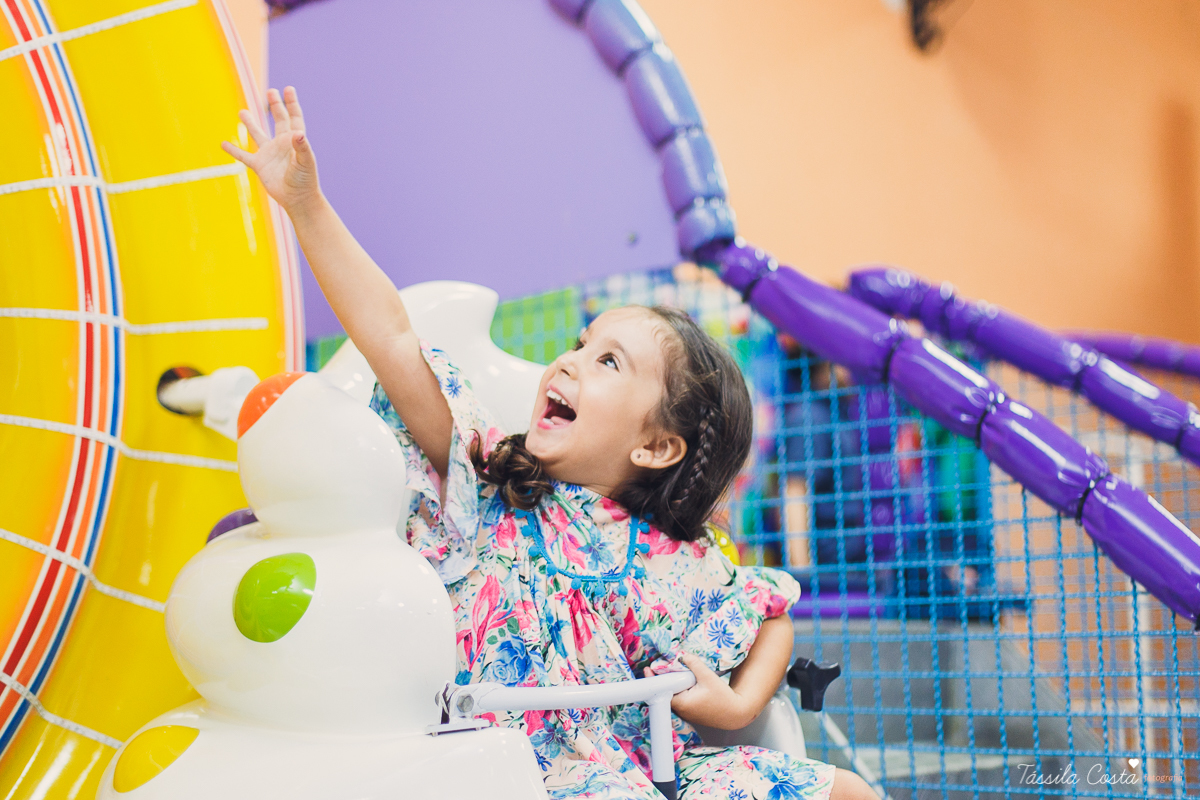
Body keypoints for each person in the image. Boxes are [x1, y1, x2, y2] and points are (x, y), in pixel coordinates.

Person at [223, 86, 878, 800]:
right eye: (580, 343)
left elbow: (771, 614)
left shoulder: (669, 557)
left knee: (846, 790)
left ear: (657, 448)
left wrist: (738, 704)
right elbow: (392, 336)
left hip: (644, 765)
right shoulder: (488, 483)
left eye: (608, 362)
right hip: (505, 772)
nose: (568, 361)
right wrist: (306, 207)